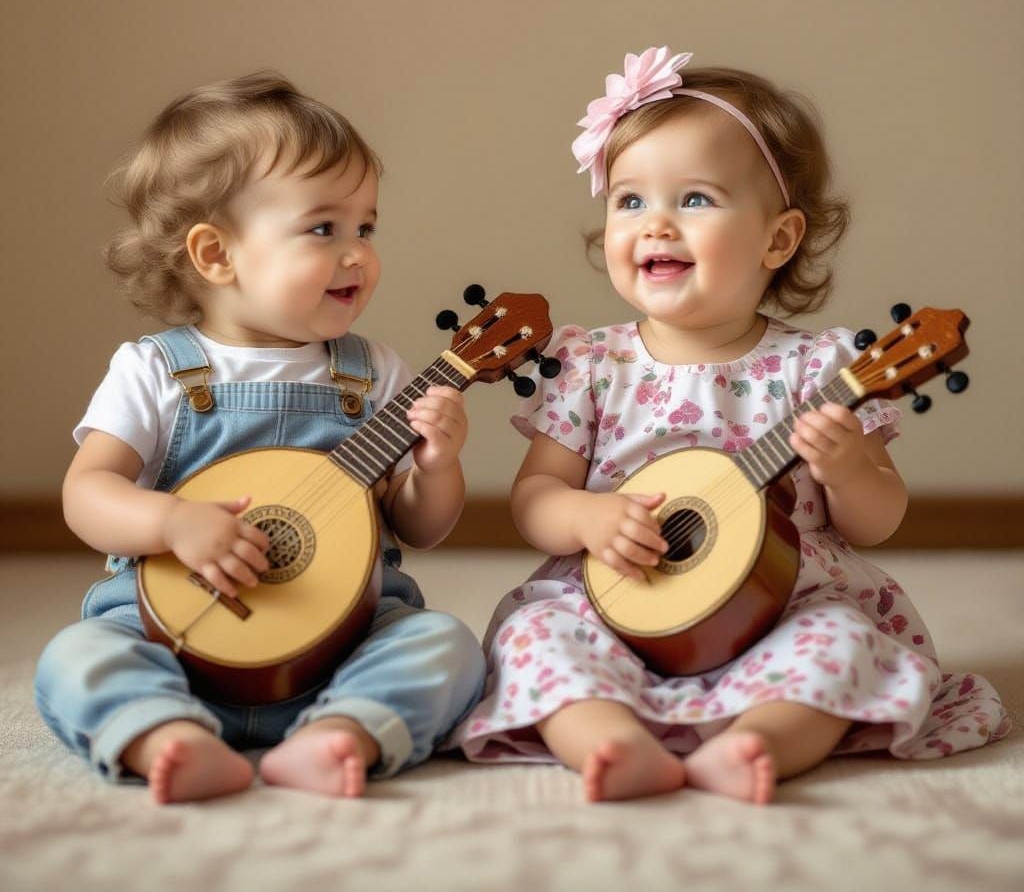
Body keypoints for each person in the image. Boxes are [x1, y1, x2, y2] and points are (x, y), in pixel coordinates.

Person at [451, 47, 1009, 803]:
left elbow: (878, 520)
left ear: (778, 239)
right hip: (618, 597)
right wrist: (585, 516)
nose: (656, 225)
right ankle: (608, 741)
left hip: (781, 600)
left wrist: (848, 468)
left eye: (695, 199)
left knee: (840, 641)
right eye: (630, 201)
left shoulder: (821, 371)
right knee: (535, 636)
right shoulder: (590, 364)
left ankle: (760, 742)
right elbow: (535, 497)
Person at [34, 72, 485, 804]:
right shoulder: (154, 370)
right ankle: (165, 733)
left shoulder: (376, 374)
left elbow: (421, 528)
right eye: (324, 228)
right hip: (173, 638)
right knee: (75, 656)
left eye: (366, 228)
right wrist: (173, 522)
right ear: (216, 255)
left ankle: (339, 731)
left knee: (447, 645)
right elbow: (87, 492)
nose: (356, 253)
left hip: (340, 641)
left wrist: (436, 467)